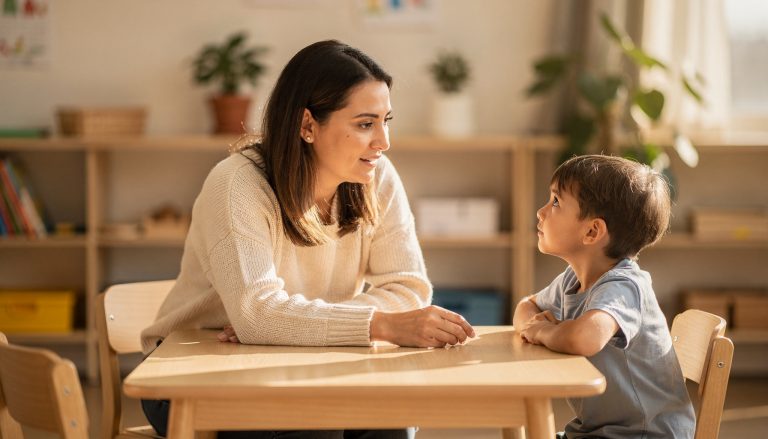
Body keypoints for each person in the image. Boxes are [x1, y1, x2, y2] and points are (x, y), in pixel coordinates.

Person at [139, 40, 475, 439]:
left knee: (393, 417)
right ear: (307, 126)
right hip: (190, 374)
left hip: (303, 364)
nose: (383, 141)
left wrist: (290, 324)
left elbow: (410, 290)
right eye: (365, 124)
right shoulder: (236, 185)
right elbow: (259, 315)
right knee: (315, 421)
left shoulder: (377, 176)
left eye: (386, 120)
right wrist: (379, 324)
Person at [513, 155, 695, 438]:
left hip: (644, 434)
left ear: (592, 231)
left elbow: (584, 338)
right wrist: (536, 327)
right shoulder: (573, 280)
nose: (541, 212)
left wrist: (543, 331)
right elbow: (527, 305)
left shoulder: (624, 286)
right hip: (601, 431)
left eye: (556, 202)